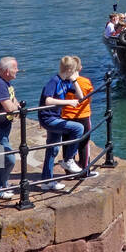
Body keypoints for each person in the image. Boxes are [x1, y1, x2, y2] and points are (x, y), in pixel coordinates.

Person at [37, 56, 92, 191]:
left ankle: (47, 180)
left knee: (53, 149)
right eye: (73, 71)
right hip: (49, 118)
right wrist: (68, 102)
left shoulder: (66, 82)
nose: (75, 73)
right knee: (78, 128)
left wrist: (74, 80)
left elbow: (79, 96)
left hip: (56, 117)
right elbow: (48, 101)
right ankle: (68, 160)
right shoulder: (54, 81)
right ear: (68, 69)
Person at [0, 57, 21, 199]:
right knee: (8, 158)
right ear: (7, 71)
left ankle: (0, 184)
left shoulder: (5, 83)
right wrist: (17, 109)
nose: (17, 70)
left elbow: (13, 99)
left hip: (3, 127)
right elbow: (8, 106)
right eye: (15, 68)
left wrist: (17, 106)